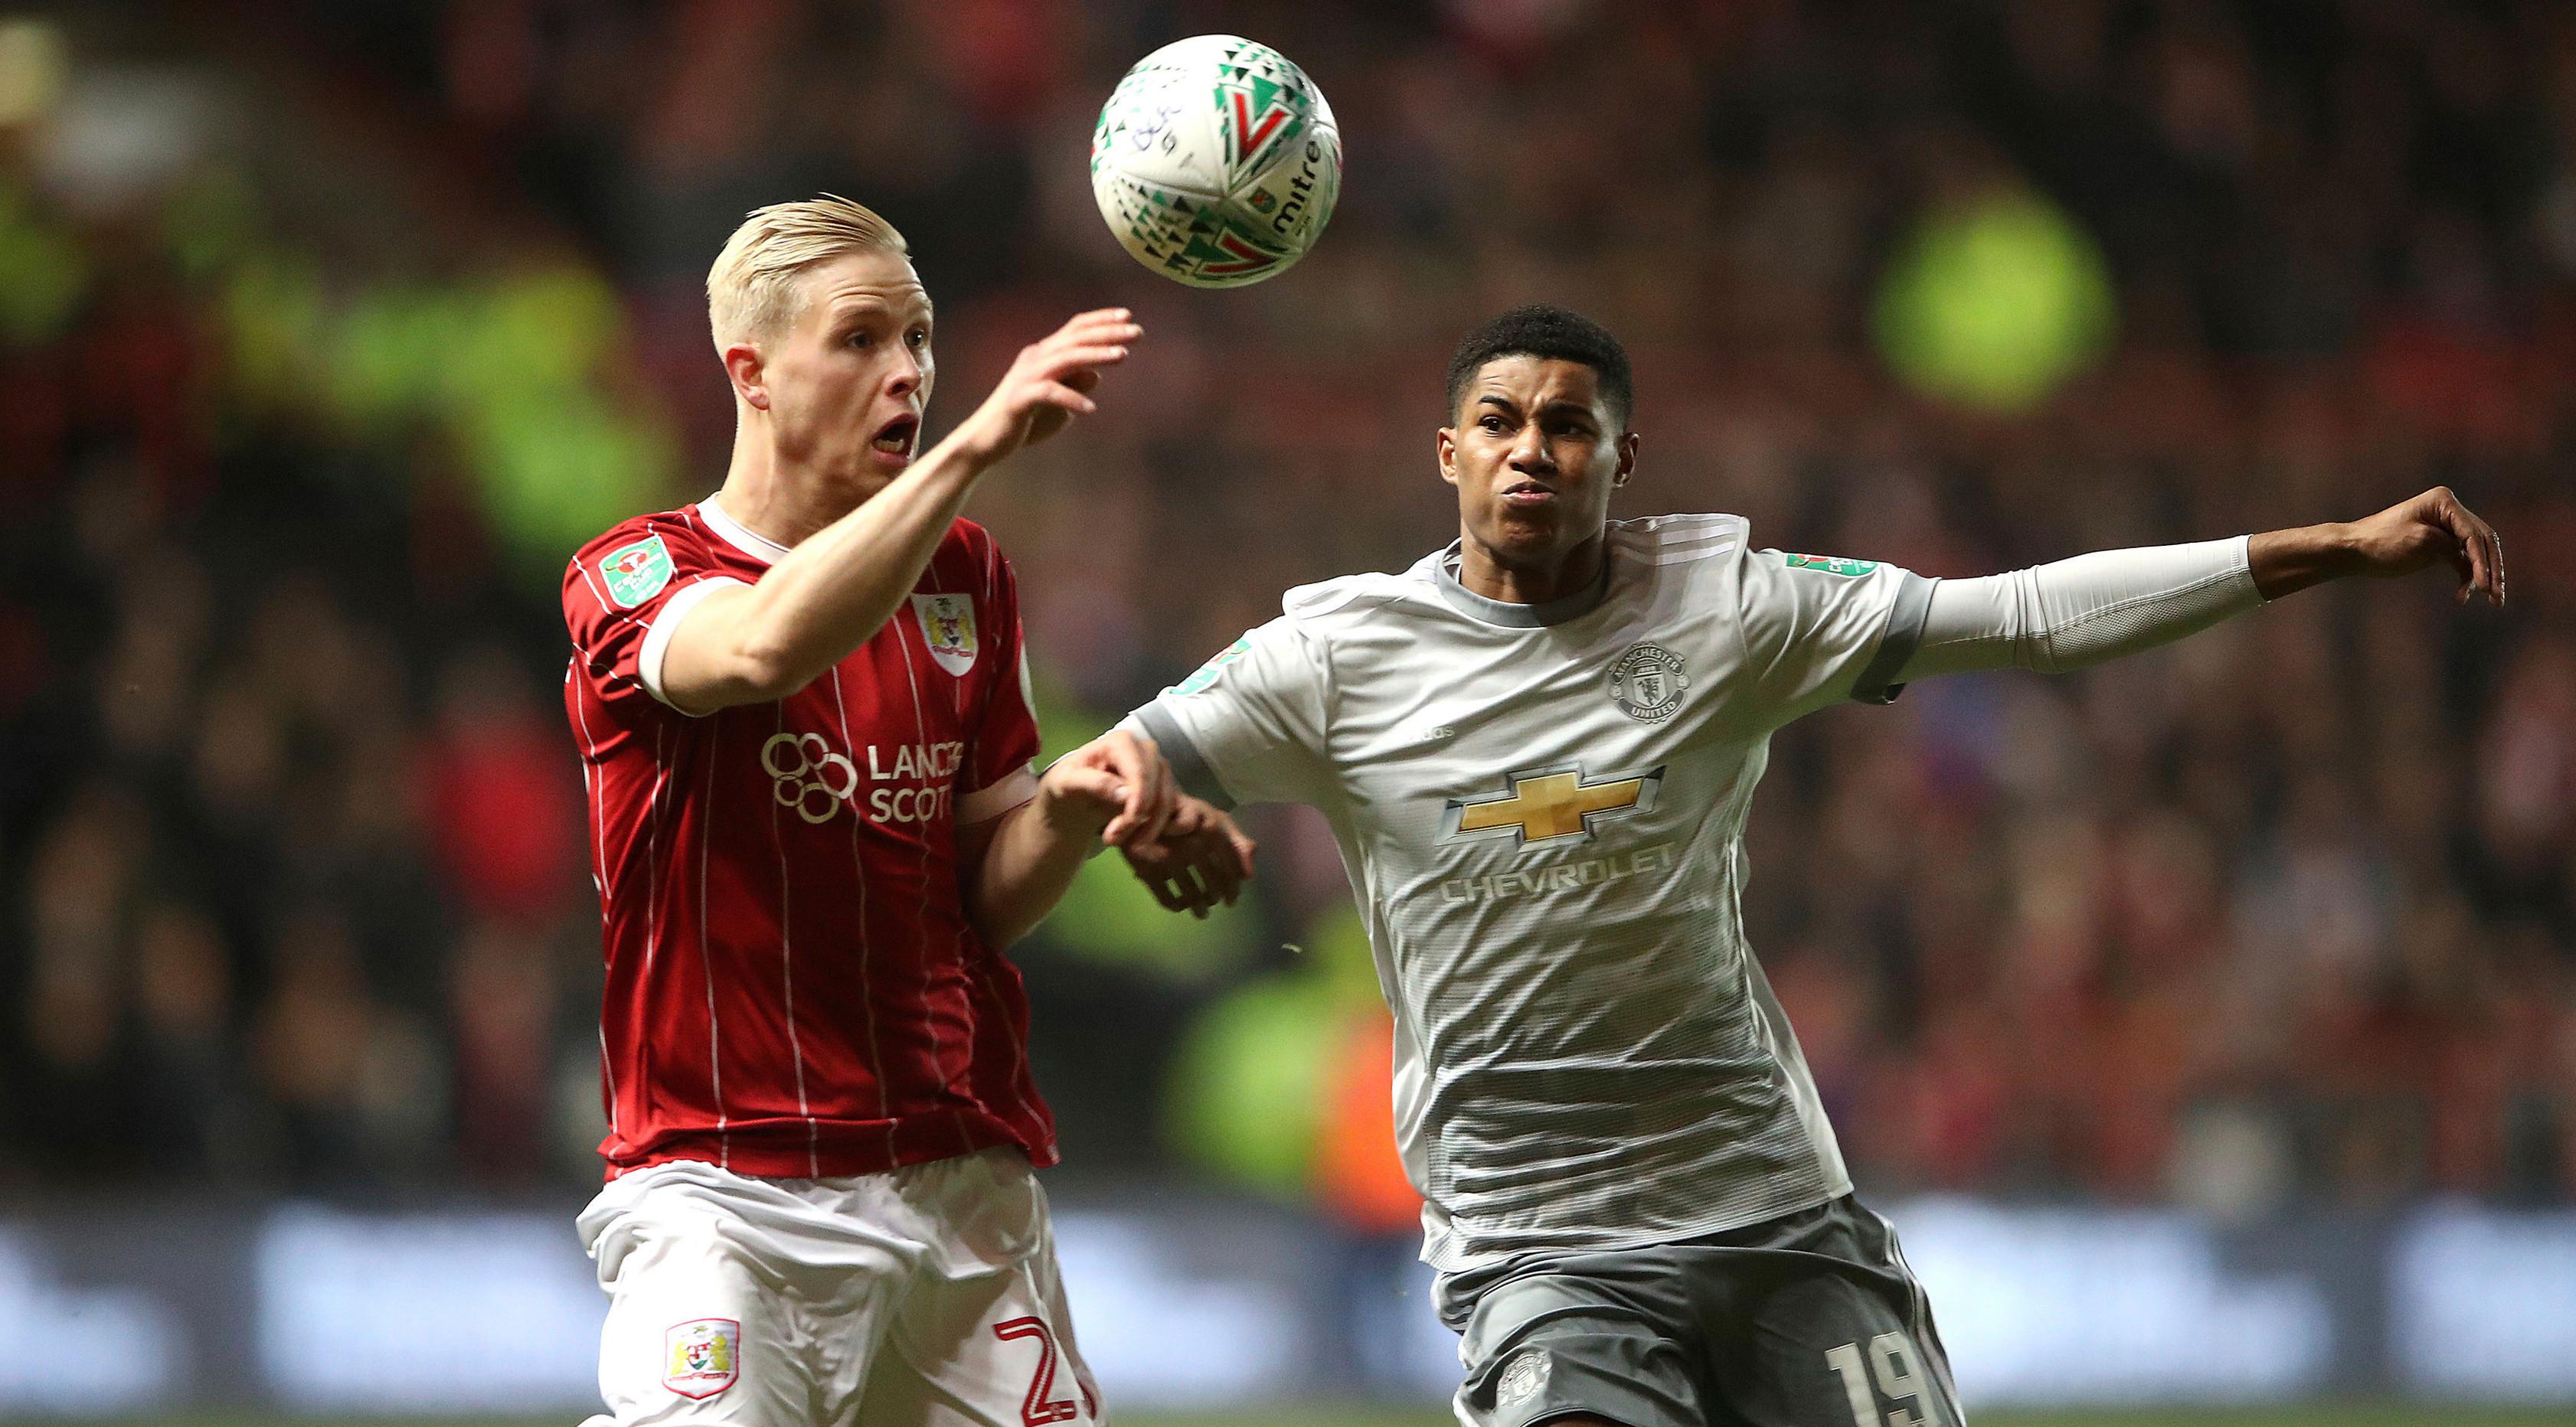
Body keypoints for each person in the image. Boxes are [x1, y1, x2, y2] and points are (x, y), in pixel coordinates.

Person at [1117, 304, 2506, 1427]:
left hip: (1772, 1211)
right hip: (1538, 1245)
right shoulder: (1335, 658)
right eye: (1499, 423)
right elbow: (1100, 766)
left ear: (1623, 457)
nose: (1530, 450)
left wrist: (2325, 547)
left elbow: (2017, 616)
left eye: (1566, 424)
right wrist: (1142, 802)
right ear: (1447, 453)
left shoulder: (1728, 606)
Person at [561, 195, 1174, 1427]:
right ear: (754, 375)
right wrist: (973, 451)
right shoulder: (635, 572)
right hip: (733, 1197)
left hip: (958, 1185)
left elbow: (986, 897)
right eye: (860, 340)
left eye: (923, 339)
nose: (910, 374)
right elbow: (761, 651)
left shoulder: (967, 577)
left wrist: (1071, 800)